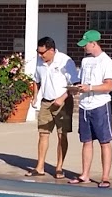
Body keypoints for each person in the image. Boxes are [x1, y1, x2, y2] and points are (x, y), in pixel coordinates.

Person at [67, 29, 112, 188]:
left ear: (94, 43)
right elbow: (83, 83)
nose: (84, 47)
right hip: (84, 105)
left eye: (86, 44)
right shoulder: (86, 61)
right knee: (86, 141)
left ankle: (105, 177)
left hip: (100, 105)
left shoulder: (106, 61)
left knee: (104, 141)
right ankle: (85, 174)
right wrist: (76, 89)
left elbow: (109, 86)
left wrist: (91, 88)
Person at [28, 36, 78, 179]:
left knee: (62, 135)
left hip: (63, 101)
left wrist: (61, 98)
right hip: (46, 101)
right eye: (38, 52)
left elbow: (74, 85)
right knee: (43, 133)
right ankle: (40, 166)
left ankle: (59, 167)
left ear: (51, 50)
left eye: (42, 53)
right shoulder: (39, 62)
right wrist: (35, 96)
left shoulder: (65, 61)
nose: (40, 55)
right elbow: (36, 80)